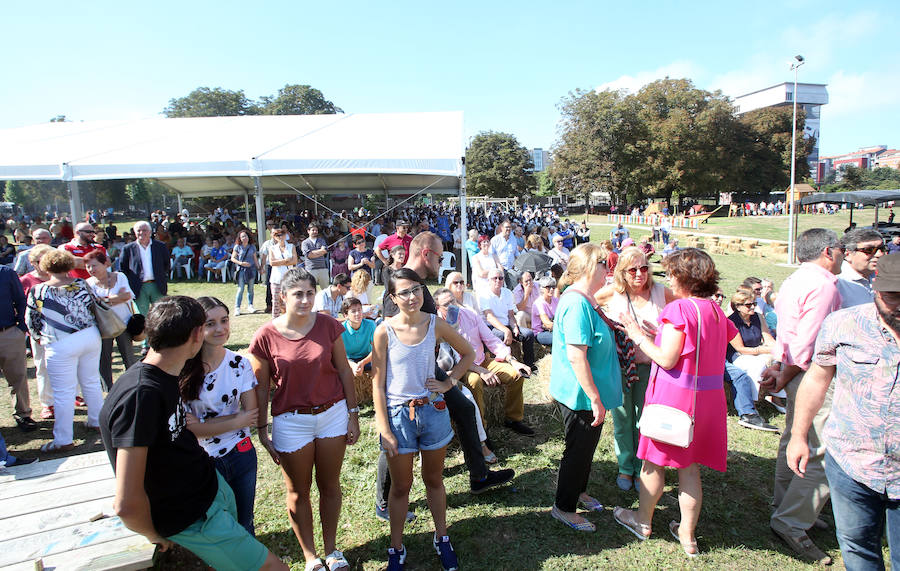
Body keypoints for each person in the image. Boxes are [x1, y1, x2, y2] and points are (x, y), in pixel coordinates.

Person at [99, 296, 286, 571]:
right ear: (198, 334)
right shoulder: (142, 396)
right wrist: (154, 535)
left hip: (207, 493)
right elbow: (126, 503)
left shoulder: (162, 374)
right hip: (193, 516)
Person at [614, 248, 736, 558]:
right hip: (707, 402)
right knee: (690, 469)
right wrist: (660, 335)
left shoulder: (679, 309)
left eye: (670, 273)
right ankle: (688, 534)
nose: (667, 279)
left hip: (675, 401)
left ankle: (642, 521)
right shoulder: (716, 311)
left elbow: (667, 359)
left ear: (683, 277)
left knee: (653, 464)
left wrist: (637, 334)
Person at [787, 254, 900, 570]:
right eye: (893, 296)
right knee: (858, 550)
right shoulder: (844, 324)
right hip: (851, 463)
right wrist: (798, 435)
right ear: (875, 290)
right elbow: (817, 378)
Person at [249, 269, 359, 571]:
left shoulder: (328, 325)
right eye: (298, 293)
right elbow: (261, 386)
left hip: (333, 415)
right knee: (298, 491)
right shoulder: (265, 335)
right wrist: (261, 429)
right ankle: (311, 557)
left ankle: (333, 550)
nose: (305, 299)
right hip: (291, 421)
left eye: (310, 293)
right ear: (283, 296)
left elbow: (344, 371)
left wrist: (353, 414)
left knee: (330, 485)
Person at [372, 268, 475, 571]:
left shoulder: (436, 324)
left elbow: (467, 354)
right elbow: (377, 383)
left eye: (416, 289)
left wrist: (449, 383)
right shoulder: (383, 331)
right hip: (398, 416)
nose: (412, 296)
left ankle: (441, 537)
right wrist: (383, 427)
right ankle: (396, 547)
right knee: (401, 486)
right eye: (403, 292)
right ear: (392, 297)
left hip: (433, 411)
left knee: (434, 479)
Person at [760, 228, 843, 565]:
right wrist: (787, 373)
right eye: (840, 250)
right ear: (828, 251)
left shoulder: (794, 280)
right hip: (810, 374)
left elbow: (787, 333)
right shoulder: (824, 285)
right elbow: (810, 342)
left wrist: (781, 369)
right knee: (819, 450)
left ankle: (788, 505)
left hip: (791, 370)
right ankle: (792, 521)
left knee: (793, 441)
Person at [547, 243, 621, 532]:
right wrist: (594, 397)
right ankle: (564, 507)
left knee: (586, 447)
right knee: (577, 451)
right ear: (591, 267)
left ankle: (578, 491)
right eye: (604, 263)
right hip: (581, 395)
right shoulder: (577, 302)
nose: (608, 268)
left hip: (588, 393)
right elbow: (577, 355)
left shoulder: (584, 297)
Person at [596, 246, 675, 492]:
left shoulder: (661, 292)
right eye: (632, 270)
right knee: (622, 419)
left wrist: (662, 333)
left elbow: (684, 313)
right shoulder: (612, 293)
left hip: (653, 369)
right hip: (620, 367)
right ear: (622, 272)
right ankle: (625, 467)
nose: (639, 274)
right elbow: (588, 303)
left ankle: (645, 469)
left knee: (646, 421)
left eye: (643, 268)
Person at [181, 297, 260, 536]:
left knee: (245, 521)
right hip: (203, 460)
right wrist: (236, 421)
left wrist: (206, 425)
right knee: (215, 526)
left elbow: (252, 415)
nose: (220, 329)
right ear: (196, 328)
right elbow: (188, 427)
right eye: (211, 323)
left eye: (224, 321)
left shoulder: (239, 363)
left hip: (242, 453)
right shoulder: (182, 368)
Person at [25, 249, 104, 452]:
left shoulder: (39, 290)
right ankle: (97, 421)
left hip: (59, 342)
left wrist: (38, 338)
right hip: (89, 336)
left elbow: (31, 319)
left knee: (63, 392)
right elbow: (93, 306)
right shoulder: (80, 284)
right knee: (91, 381)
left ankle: (63, 439)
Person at [434, 287, 533, 435]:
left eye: (453, 300)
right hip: (461, 367)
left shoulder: (469, 315)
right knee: (475, 381)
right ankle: (481, 430)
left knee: (516, 374)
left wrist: (513, 360)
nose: (452, 306)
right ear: (438, 307)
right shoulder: (438, 325)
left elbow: (491, 340)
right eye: (446, 304)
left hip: (482, 360)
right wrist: (480, 371)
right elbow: (454, 357)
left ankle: (513, 418)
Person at [84, 250, 137, 391]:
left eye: (94, 265)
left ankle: (133, 384)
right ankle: (108, 388)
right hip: (103, 326)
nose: (91, 269)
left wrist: (103, 300)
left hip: (123, 323)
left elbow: (127, 296)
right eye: (88, 266)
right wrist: (115, 298)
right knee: (104, 358)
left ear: (105, 264)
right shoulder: (88, 283)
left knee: (128, 355)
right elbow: (92, 304)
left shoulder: (119, 276)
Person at [479, 268, 537, 371]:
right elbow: (489, 317)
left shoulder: (507, 293)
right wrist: (506, 331)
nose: (498, 280)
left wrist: (514, 327)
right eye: (495, 278)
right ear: (489, 280)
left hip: (507, 324)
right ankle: (505, 367)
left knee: (528, 334)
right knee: (501, 335)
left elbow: (511, 315)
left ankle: (529, 364)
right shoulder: (483, 294)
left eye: (501, 278)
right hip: (491, 326)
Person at [0, 263, 34, 432]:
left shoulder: (6, 273)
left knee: (18, 377)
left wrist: (21, 328)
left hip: (8, 333)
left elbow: (21, 300)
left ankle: (23, 414)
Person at [120, 220, 170, 318]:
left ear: (150, 232)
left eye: (145, 230)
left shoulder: (160, 246)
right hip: (139, 287)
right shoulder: (128, 249)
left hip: (157, 284)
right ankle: (145, 333)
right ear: (135, 233)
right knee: (141, 315)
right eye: (139, 230)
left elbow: (166, 264)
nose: (142, 233)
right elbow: (123, 268)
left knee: (161, 313)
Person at [836, 227, 883, 308]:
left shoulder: (883, 278)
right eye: (870, 250)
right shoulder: (836, 283)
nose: (879, 254)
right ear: (848, 254)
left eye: (882, 249)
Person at [265, 228, 297, 319]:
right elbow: (272, 263)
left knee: (289, 300)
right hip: (276, 278)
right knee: (275, 301)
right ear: (274, 237)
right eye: (277, 235)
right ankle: (275, 320)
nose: (280, 237)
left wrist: (280, 262)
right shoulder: (272, 248)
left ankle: (289, 319)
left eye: (282, 234)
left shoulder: (291, 246)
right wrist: (286, 260)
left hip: (289, 278)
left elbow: (294, 260)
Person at [340, 298, 376, 380]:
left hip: (367, 358)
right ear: (346, 315)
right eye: (353, 311)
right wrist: (352, 365)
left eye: (359, 310)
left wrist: (363, 362)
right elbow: (339, 355)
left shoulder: (370, 325)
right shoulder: (341, 329)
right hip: (348, 360)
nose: (358, 313)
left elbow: (377, 349)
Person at [230, 229, 258, 316]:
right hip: (241, 270)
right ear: (240, 238)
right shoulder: (237, 247)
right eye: (242, 237)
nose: (244, 238)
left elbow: (255, 259)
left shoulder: (252, 247)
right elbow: (233, 258)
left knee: (251, 288)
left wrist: (259, 267)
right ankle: (237, 307)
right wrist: (241, 263)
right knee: (240, 289)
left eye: (246, 236)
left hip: (251, 269)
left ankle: (250, 305)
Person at [301, 223, 330, 289]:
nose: (315, 232)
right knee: (310, 290)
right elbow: (309, 255)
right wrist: (320, 251)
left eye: (316, 230)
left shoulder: (322, 240)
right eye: (313, 230)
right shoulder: (305, 243)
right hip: (311, 269)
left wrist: (313, 253)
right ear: (308, 231)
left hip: (323, 269)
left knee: (326, 291)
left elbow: (324, 251)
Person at [531, 276, 558, 346]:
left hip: (554, 329)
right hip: (541, 333)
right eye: (548, 287)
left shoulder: (556, 300)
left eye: (553, 287)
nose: (552, 289)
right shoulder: (538, 303)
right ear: (542, 289)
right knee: (559, 338)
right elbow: (547, 324)